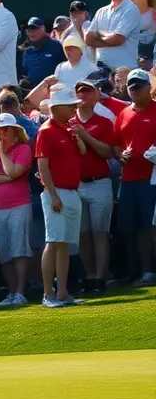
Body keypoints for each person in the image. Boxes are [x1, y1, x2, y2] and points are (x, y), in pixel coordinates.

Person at [35, 86, 84, 307]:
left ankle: (63, 292)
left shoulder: (68, 129)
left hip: (73, 191)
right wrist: (53, 195)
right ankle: (48, 294)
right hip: (56, 193)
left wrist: (79, 136)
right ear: (57, 108)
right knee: (53, 241)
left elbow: (81, 153)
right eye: (71, 106)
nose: (75, 109)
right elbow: (42, 166)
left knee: (64, 244)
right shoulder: (46, 130)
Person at [0, 114, 33, 306]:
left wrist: (1, 153)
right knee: (4, 253)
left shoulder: (23, 149)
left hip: (18, 205)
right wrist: (7, 178)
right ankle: (11, 292)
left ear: (15, 132)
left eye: (5, 129)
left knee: (19, 249)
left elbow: (13, 171)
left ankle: (20, 292)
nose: (0, 133)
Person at [70, 79, 118, 293]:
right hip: (77, 184)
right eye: (79, 92)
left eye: (87, 91)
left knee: (100, 232)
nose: (82, 96)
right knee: (82, 234)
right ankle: (90, 274)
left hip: (99, 182)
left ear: (96, 95)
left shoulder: (104, 122)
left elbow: (107, 152)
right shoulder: (68, 123)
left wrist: (86, 136)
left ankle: (100, 276)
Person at [115, 69, 156, 284]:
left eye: (139, 86)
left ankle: (149, 270)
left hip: (151, 178)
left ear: (149, 88)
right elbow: (115, 144)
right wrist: (120, 155)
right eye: (131, 87)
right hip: (128, 178)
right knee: (127, 227)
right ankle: (133, 271)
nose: (134, 90)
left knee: (148, 226)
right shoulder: (124, 113)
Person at [85, 0, 142, 72]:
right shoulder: (101, 11)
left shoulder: (131, 9)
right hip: (101, 69)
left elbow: (118, 39)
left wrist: (97, 37)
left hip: (124, 70)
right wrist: (109, 36)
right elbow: (88, 39)